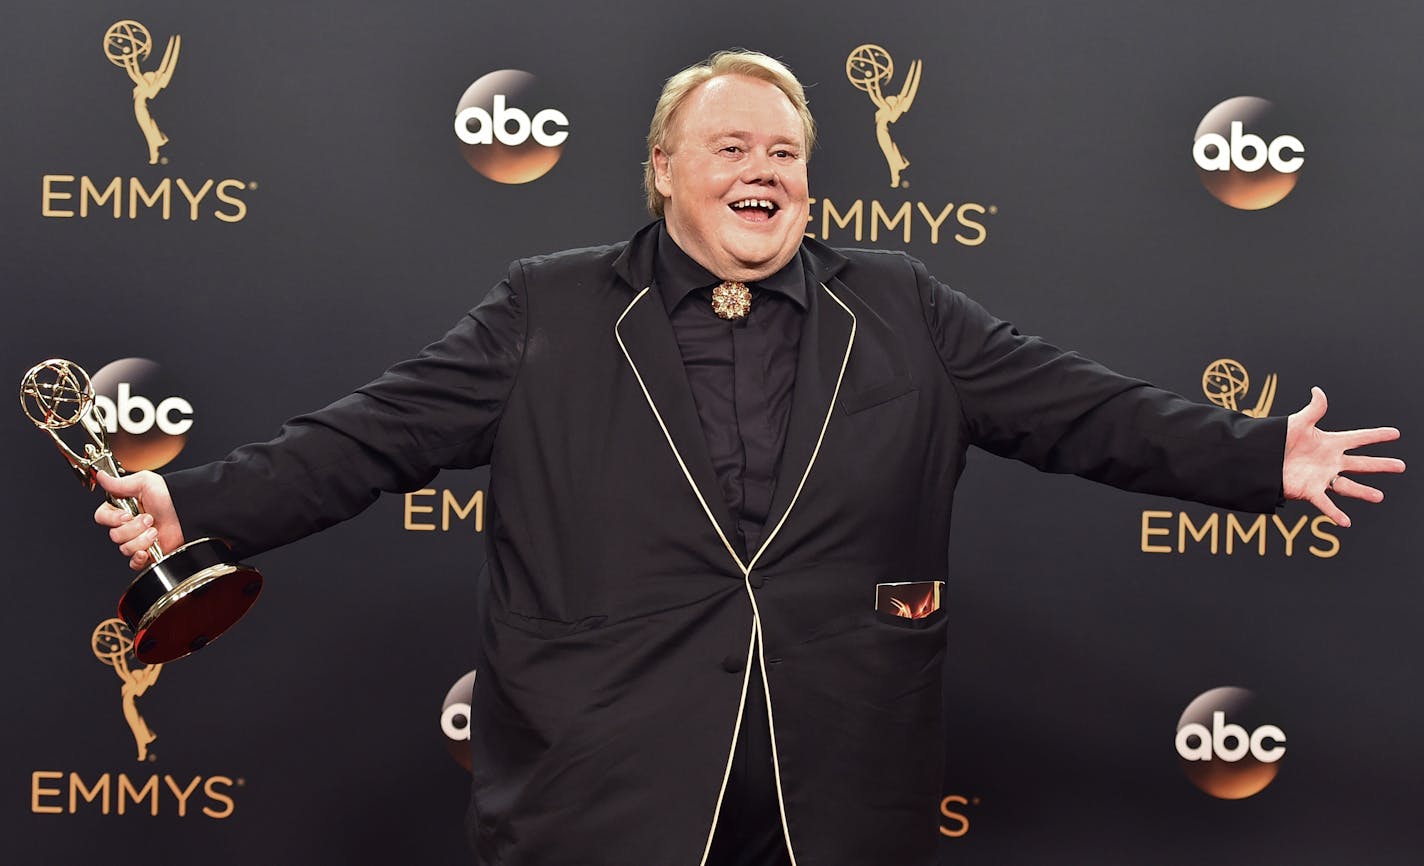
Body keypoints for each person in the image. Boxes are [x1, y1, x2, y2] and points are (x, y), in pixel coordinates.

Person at [93, 50, 1403, 866]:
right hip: (604, 790)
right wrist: (190, 503)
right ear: (665, 170)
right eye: (734, 148)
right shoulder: (544, 309)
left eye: (786, 154)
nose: (763, 170)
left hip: (835, 787)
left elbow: (1081, 409)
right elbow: (367, 439)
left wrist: (1259, 460)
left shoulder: (901, 307)